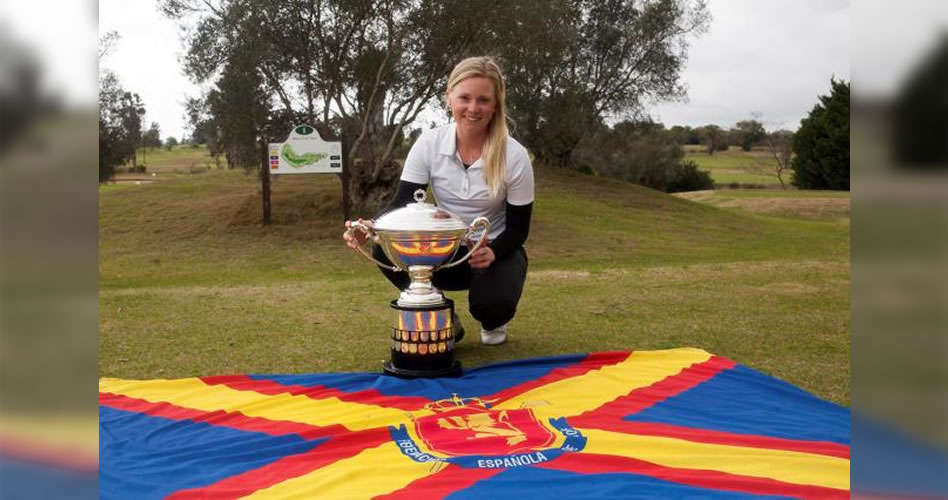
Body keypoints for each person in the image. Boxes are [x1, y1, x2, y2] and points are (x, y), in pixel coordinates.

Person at [343, 56, 534, 346]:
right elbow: (402, 203)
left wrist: (493, 252)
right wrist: (373, 226)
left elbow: (518, 229)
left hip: (493, 250)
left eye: (483, 100)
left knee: (491, 306)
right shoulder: (429, 143)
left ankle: (495, 320)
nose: (473, 108)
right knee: (383, 248)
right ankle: (442, 315)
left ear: (496, 105)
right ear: (449, 98)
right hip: (445, 250)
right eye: (465, 98)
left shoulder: (515, 156)